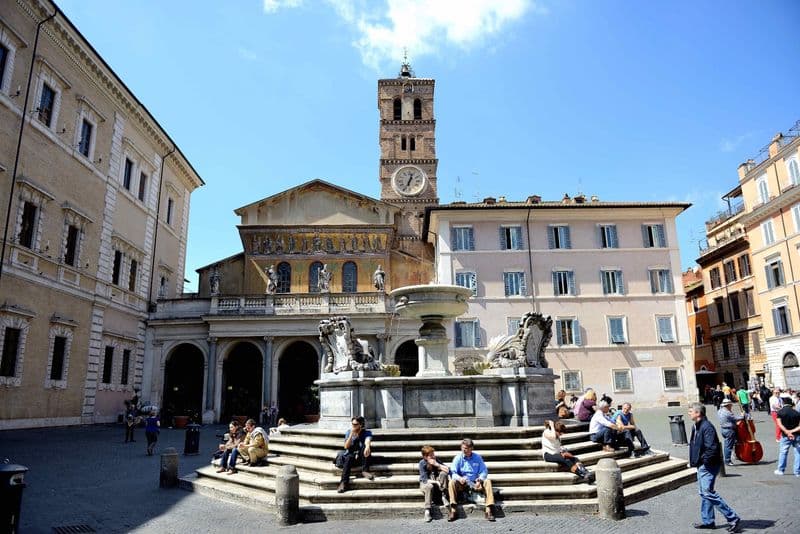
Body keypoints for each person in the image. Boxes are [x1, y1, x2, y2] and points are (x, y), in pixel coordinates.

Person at [687, 402, 741, 532]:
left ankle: (732, 517)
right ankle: (708, 521)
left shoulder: (707, 427)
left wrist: (703, 461)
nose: (688, 413)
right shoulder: (696, 426)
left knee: (707, 492)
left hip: (708, 465)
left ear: (698, 413)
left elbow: (712, 448)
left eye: (690, 411)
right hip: (701, 464)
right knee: (705, 493)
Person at [448, 438, 495, 522]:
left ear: (471, 448)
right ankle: (453, 510)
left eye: (466, 448)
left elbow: (484, 470)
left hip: (475, 483)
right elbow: (452, 472)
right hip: (463, 483)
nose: (464, 450)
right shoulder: (458, 458)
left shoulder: (477, 457)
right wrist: (459, 478)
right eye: (462, 448)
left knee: (488, 481)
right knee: (451, 482)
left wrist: (480, 479)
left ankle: (489, 510)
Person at [337, 416, 374, 493]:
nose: (353, 426)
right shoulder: (348, 432)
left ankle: (365, 471)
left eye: (355, 424)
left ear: (360, 425)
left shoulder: (367, 432)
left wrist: (367, 446)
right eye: (352, 424)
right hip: (351, 458)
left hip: (362, 458)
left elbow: (368, 440)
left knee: (365, 447)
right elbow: (346, 446)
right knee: (348, 457)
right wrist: (351, 435)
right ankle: (343, 483)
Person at [419, 445, 450, 522]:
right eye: (431, 455)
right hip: (426, 484)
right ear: (425, 457)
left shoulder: (436, 460)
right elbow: (425, 479)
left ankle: (444, 496)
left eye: (433, 454)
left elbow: (448, 470)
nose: (433, 456)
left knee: (443, 473)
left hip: (438, 485)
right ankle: (427, 511)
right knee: (429, 486)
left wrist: (437, 464)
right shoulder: (422, 463)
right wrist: (436, 482)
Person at [774, 395, 800, 476]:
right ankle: (797, 472)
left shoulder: (780, 412)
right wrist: (792, 431)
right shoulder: (796, 413)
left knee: (783, 452)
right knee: (798, 453)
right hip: (797, 435)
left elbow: (779, 424)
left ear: (783, 403)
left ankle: (781, 470)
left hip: (785, 435)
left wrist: (787, 432)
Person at [717, 399, 742, 466]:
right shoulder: (727, 412)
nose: (731, 406)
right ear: (728, 405)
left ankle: (734, 455)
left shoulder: (720, 411)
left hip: (723, 429)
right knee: (728, 446)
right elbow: (735, 418)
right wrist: (743, 416)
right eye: (731, 405)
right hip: (729, 430)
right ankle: (727, 460)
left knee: (727, 445)